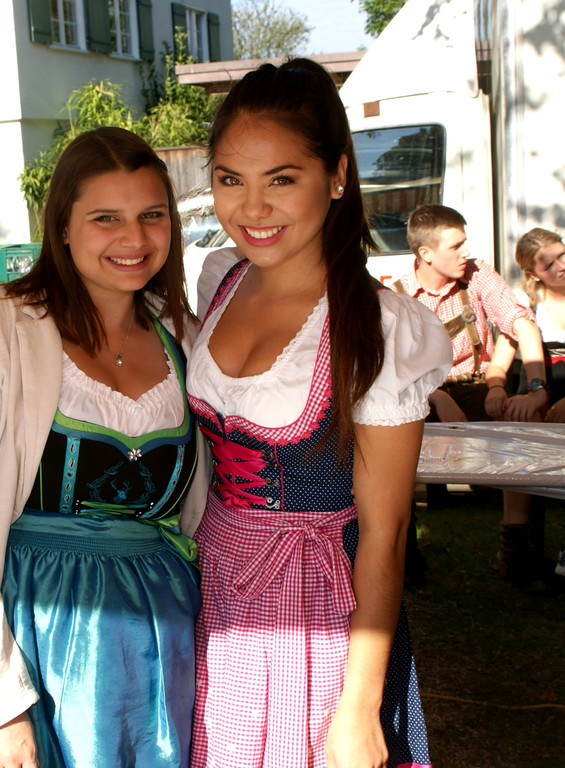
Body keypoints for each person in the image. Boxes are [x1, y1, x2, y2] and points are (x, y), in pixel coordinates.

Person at [0, 126, 209, 768]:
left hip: (152, 639)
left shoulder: (184, 334)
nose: (134, 238)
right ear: (61, 226)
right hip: (19, 629)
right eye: (106, 218)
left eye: (152, 215)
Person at [185, 58, 453, 768]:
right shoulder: (219, 280)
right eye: (229, 180)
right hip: (214, 582)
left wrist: (359, 709)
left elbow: (385, 535)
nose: (252, 208)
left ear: (336, 175)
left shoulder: (379, 327)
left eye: (281, 179)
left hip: (314, 608)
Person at [395, 204, 549, 587]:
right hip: (418, 395)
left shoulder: (476, 274)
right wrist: (436, 396)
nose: (465, 252)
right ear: (425, 253)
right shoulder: (398, 296)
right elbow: (393, 369)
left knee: (524, 425)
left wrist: (534, 389)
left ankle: (516, 549)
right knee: (388, 436)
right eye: (455, 246)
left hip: (476, 388)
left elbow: (522, 324)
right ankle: (403, 555)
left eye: (464, 243)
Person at [514, 227, 565, 580]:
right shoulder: (528, 303)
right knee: (519, 435)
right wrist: (496, 386)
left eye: (563, 254)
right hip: (542, 395)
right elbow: (505, 354)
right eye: (549, 264)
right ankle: (519, 548)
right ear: (533, 274)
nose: (561, 266)